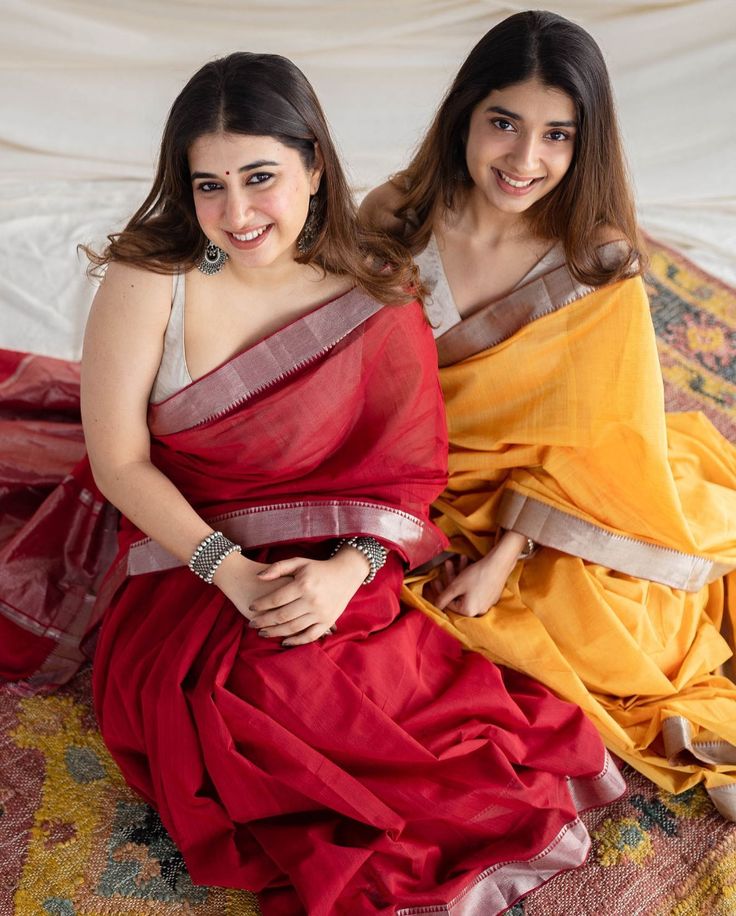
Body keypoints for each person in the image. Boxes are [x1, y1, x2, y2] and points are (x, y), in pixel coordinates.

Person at [0, 52, 624, 915]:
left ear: (315, 167)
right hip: (184, 550)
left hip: (335, 558)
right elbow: (120, 465)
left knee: (401, 702)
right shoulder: (155, 277)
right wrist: (231, 571)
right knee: (248, 698)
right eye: (208, 185)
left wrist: (346, 571)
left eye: (261, 177)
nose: (237, 212)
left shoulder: (372, 290)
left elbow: (405, 475)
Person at [361, 9, 736, 820]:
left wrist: (503, 555)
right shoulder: (395, 215)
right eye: (504, 123)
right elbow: (346, 363)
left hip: (544, 493)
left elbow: (596, 438)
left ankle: (698, 728)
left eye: (557, 136)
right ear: (465, 113)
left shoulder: (594, 259)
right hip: (407, 472)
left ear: (584, 142)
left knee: (605, 619)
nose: (525, 160)